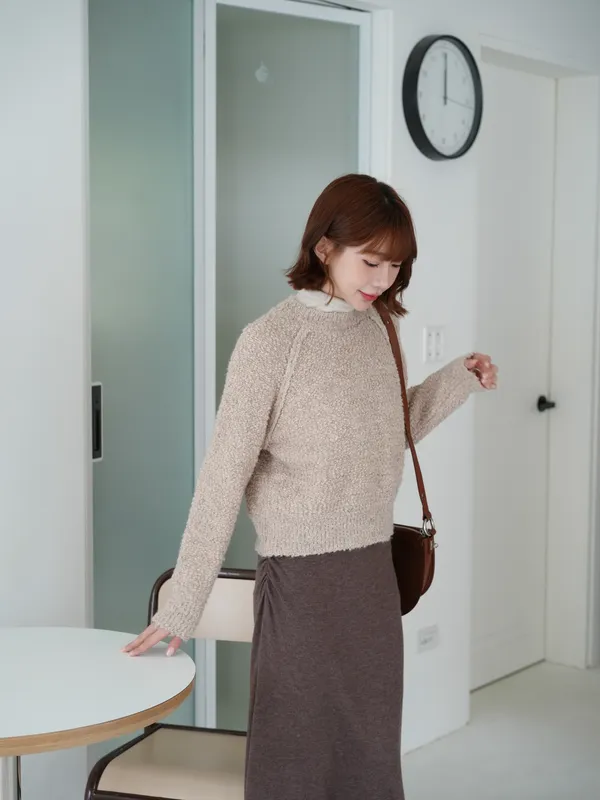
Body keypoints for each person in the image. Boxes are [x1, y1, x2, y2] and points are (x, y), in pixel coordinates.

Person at [123, 174, 498, 799]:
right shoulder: (270, 342)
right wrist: (184, 599)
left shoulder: (378, 328)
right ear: (324, 247)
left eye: (395, 266)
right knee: (293, 759)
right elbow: (222, 476)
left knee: (370, 757)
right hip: (301, 583)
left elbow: (393, 428)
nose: (383, 279)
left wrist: (456, 379)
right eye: (370, 261)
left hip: (373, 575)